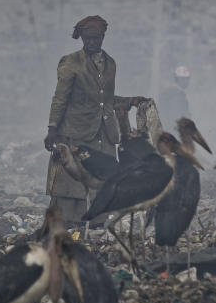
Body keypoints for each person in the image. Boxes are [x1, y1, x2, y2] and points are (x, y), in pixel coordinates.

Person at [44, 15, 148, 227]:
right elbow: (60, 98)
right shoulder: (70, 63)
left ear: (102, 37)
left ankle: (98, 224)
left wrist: (131, 101)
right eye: (88, 39)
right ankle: (71, 226)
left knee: (101, 180)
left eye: (96, 38)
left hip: (104, 134)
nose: (92, 43)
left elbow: (106, 99)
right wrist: (52, 128)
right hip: (76, 132)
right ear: (82, 38)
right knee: (71, 183)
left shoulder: (110, 64)